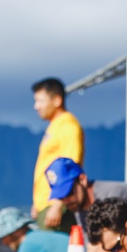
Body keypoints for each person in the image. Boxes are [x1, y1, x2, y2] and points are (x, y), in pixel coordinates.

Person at [31, 77, 84, 232]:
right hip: (45, 203)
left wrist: (58, 204)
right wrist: (37, 203)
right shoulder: (54, 126)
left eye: (40, 101)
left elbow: (70, 166)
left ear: (56, 100)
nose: (36, 106)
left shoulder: (68, 125)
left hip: (56, 204)